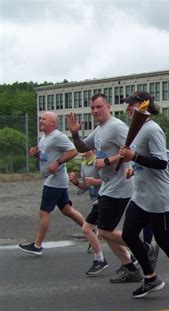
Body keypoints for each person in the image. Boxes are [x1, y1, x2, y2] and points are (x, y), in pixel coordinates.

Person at [118, 91, 169, 299]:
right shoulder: (137, 129)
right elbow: (143, 160)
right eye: (127, 105)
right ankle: (151, 278)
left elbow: (162, 162)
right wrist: (133, 166)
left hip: (159, 197)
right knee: (128, 234)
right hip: (142, 196)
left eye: (131, 104)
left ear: (143, 105)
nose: (127, 108)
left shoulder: (153, 129)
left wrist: (134, 156)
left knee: (165, 242)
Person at [67, 93, 158, 284]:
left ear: (108, 107)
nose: (95, 111)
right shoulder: (100, 130)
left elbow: (134, 149)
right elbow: (83, 147)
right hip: (107, 186)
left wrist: (109, 160)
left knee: (105, 231)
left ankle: (144, 248)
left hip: (120, 186)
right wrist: (75, 133)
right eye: (93, 108)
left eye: (99, 107)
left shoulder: (116, 127)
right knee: (105, 231)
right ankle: (130, 267)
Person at [19, 112, 85, 255]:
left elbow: (74, 151)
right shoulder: (44, 137)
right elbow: (46, 156)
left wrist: (58, 162)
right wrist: (36, 153)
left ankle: (37, 246)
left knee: (44, 212)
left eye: (44, 119)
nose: (40, 121)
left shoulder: (58, 136)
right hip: (54, 179)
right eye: (40, 118)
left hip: (54, 180)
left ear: (53, 123)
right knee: (67, 210)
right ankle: (91, 229)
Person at [69, 149, 109, 276]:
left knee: (102, 231)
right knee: (101, 231)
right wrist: (75, 182)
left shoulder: (99, 161)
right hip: (96, 202)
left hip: (105, 199)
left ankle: (100, 259)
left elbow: (110, 179)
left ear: (92, 149)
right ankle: (130, 255)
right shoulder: (84, 163)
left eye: (84, 145)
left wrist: (96, 182)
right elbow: (85, 186)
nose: (80, 148)